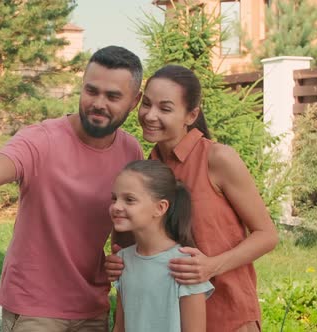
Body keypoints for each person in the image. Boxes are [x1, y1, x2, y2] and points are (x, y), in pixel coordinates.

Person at [0, 45, 145, 332]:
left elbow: (126, 233)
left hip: (92, 307)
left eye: (113, 96)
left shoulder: (131, 151)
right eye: (91, 91)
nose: (98, 103)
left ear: (135, 101)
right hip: (35, 307)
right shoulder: (42, 139)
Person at [105, 65, 279, 332]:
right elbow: (132, 243)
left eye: (165, 108)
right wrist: (118, 262)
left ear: (191, 115)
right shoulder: (145, 170)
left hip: (228, 316)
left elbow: (267, 235)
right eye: (147, 104)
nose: (150, 115)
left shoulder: (217, 159)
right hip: (168, 319)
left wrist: (211, 266)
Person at [110, 159, 213, 332]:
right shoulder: (123, 260)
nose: (116, 206)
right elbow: (120, 326)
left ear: (160, 208)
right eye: (114, 198)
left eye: (129, 200)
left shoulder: (186, 265)